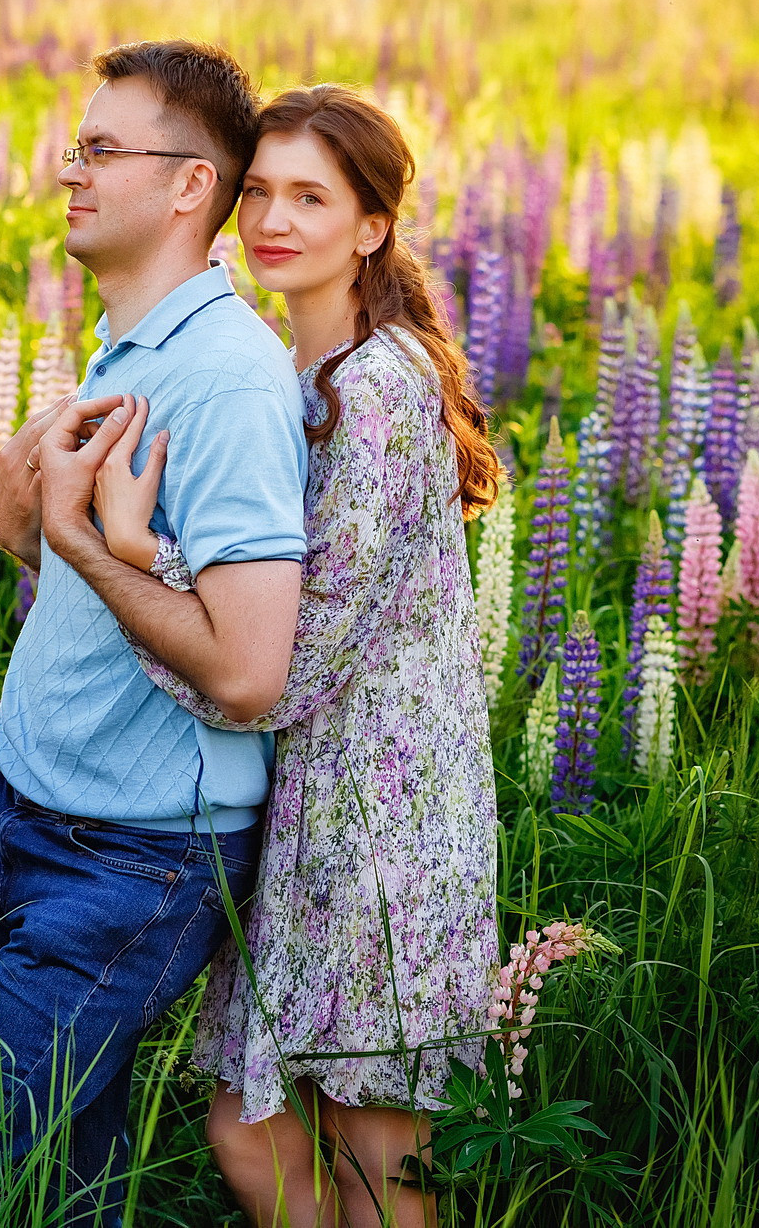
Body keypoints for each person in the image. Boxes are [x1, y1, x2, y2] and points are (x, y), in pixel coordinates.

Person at [44, 84, 503, 1228]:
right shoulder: (299, 382)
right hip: (308, 812)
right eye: (257, 191)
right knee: (252, 1134)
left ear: (371, 226)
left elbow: (280, 669)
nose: (272, 219)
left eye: (312, 196)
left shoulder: (378, 393)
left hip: (386, 826)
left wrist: (138, 557)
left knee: (372, 1156)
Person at [0, 40, 309, 1227]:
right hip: (29, 811)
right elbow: (93, 565)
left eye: (101, 149)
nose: (70, 170)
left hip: (132, 857)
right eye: (76, 145)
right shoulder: (134, 345)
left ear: (187, 188)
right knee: (60, 1169)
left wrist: (76, 541)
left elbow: (250, 667)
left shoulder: (225, 382)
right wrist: (27, 522)